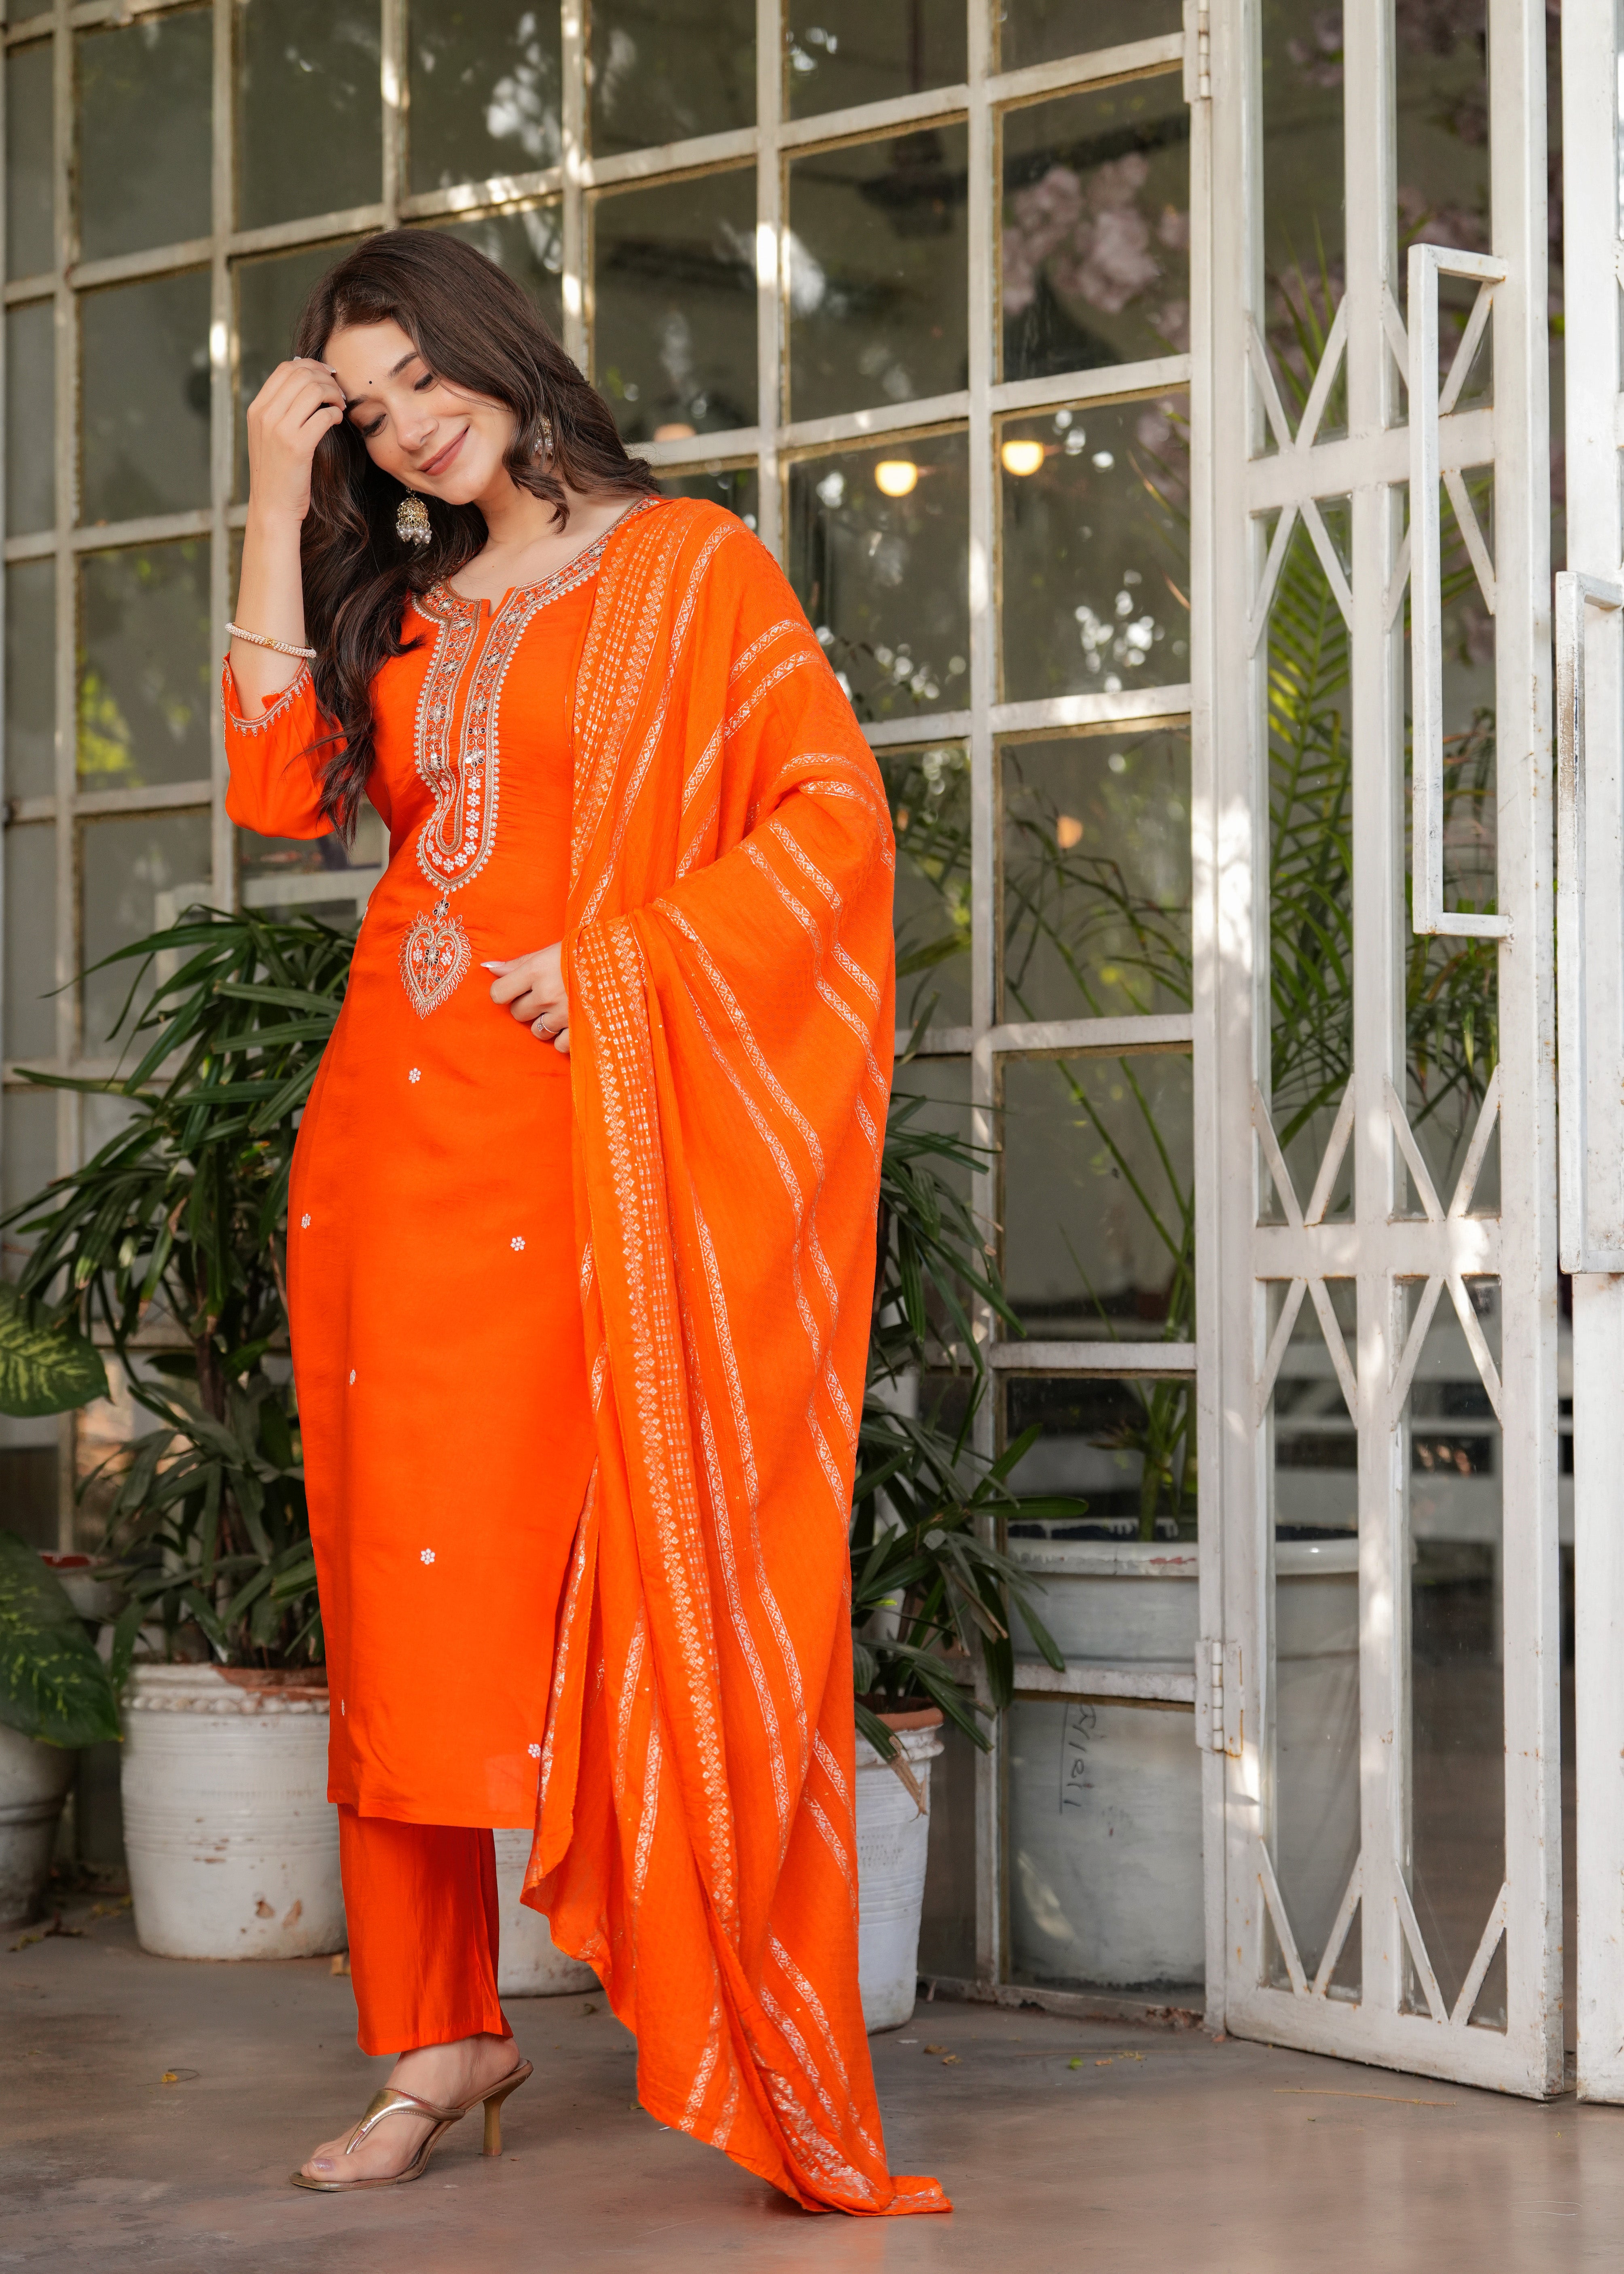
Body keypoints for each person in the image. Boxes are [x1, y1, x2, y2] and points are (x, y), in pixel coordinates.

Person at [223, 229, 948, 2217]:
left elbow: (828, 821)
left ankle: (710, 1979)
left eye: (417, 376)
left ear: (497, 344)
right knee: (401, 1593)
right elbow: (281, 791)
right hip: (392, 1144)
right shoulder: (408, 601)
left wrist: (624, 954)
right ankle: (434, 2034)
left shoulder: (689, 568)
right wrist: (283, 495)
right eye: (363, 407)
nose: (407, 423)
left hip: (588, 1141)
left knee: (613, 1562)